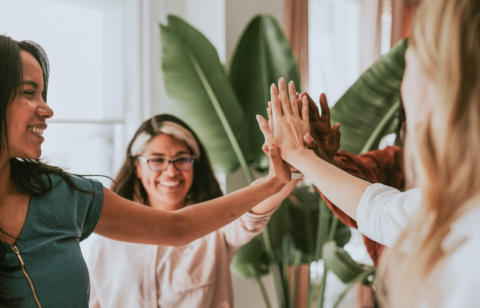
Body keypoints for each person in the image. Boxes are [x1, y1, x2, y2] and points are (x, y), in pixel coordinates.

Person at [0, 35, 293, 308]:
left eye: (182, 159)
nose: (48, 109)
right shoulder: (106, 241)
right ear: (137, 165)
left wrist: (277, 179)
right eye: (29, 92)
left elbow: (179, 228)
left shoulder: (69, 197)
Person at [258, 0, 480, 305]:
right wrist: (310, 157)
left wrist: (301, 155)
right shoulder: (451, 203)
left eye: (411, 64)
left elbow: (381, 210)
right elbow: (378, 208)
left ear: (442, 89)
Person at [87, 114, 299, 308]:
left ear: (194, 165)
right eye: (157, 161)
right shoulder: (109, 235)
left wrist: (288, 170)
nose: (171, 171)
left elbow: (254, 213)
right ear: (137, 168)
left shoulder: (217, 227)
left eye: (182, 160)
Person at [304, 92, 405, 266]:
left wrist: (302, 157)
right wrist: (323, 161)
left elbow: (375, 211)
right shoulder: (396, 160)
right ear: (404, 129)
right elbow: (362, 181)